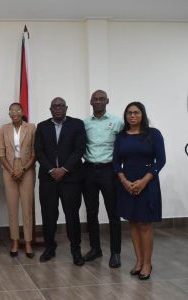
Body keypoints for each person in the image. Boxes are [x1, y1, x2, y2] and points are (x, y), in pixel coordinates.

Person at [113, 102, 165, 280]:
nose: (132, 116)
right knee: (133, 222)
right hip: (127, 183)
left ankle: (147, 263)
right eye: (129, 113)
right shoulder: (121, 136)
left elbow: (161, 160)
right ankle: (139, 260)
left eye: (136, 112)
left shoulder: (153, 134)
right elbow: (115, 162)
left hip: (147, 183)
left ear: (142, 115)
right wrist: (124, 181)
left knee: (145, 223)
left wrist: (144, 180)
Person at [34, 97, 86, 266]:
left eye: (61, 106)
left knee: (72, 215)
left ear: (66, 108)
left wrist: (63, 170)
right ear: (50, 109)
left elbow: (79, 150)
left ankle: (75, 250)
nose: (58, 108)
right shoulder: (42, 126)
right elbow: (38, 151)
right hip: (48, 179)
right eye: (54, 106)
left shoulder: (77, 124)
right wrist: (52, 170)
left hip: (71, 178)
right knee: (49, 215)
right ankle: (50, 248)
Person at [82, 90, 123, 268]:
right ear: (91, 102)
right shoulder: (84, 124)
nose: (98, 102)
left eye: (101, 99)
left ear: (107, 101)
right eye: (95, 99)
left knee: (113, 213)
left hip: (109, 171)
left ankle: (115, 253)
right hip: (89, 170)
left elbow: (124, 146)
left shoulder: (118, 122)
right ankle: (95, 248)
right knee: (91, 212)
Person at [0, 102, 36, 258]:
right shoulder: (4, 129)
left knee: (27, 207)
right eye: (11, 111)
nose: (14, 113)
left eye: (17, 110)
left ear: (22, 112)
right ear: (9, 114)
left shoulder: (31, 128)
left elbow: (35, 152)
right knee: (12, 208)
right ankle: (15, 240)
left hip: (27, 168)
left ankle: (27, 242)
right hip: (9, 169)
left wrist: (24, 169)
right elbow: (1, 153)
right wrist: (12, 169)